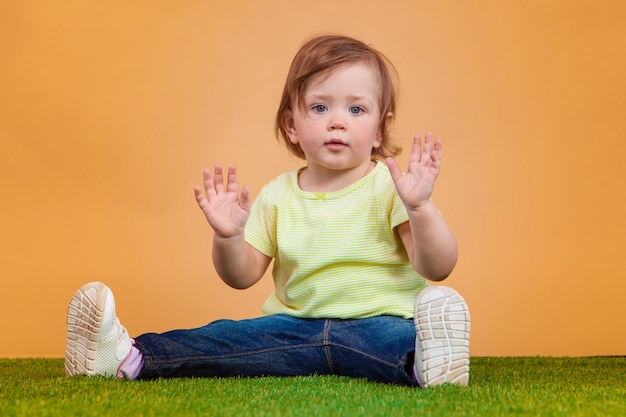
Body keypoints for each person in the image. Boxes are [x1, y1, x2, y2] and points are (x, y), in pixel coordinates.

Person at [65, 34, 470, 387]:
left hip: (378, 325)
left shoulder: (390, 186)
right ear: (291, 125)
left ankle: (424, 363)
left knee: (395, 343)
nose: (337, 123)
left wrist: (420, 206)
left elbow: (438, 266)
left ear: (381, 128)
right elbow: (241, 277)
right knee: (225, 338)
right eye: (319, 108)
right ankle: (127, 357)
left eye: (357, 110)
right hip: (292, 331)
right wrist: (227, 237)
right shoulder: (276, 195)